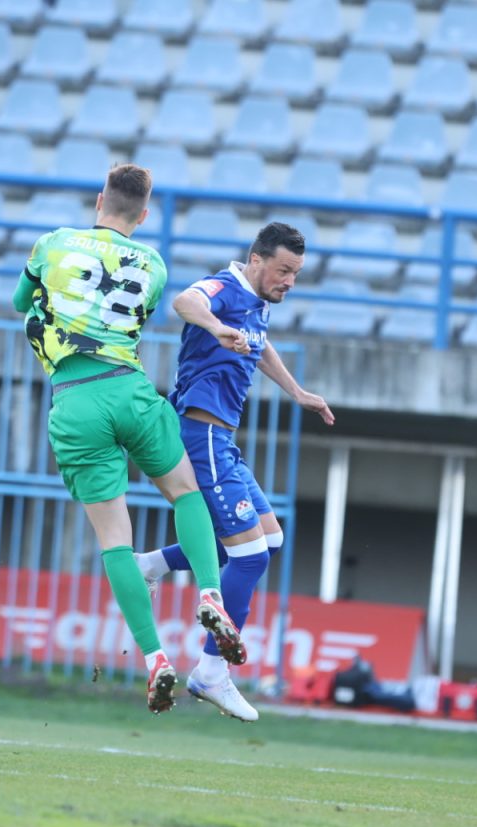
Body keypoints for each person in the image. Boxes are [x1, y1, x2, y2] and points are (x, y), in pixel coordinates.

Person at [14, 164, 245, 715]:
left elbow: (22, 302)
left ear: (100, 200)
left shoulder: (52, 243)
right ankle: (209, 592)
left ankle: (154, 658)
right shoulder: (154, 264)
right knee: (186, 493)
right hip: (131, 390)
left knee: (116, 540)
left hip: (76, 400)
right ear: (143, 215)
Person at [137, 222, 335, 723]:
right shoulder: (224, 288)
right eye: (283, 270)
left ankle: (153, 564)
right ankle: (211, 672)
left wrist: (297, 392)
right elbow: (184, 301)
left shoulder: (257, 303)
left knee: (269, 540)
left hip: (221, 439)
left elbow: (260, 345)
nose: (289, 281)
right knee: (249, 556)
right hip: (200, 434)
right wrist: (214, 327)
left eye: (296, 273)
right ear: (256, 259)